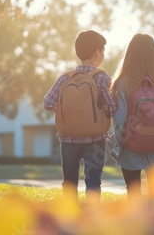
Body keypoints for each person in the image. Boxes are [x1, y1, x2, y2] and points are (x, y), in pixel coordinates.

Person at [43, 29, 117, 203]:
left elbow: (47, 103)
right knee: (93, 181)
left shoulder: (65, 78)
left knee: (69, 182)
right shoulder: (102, 78)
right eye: (103, 51)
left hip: (68, 138)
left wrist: (69, 112)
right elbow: (113, 108)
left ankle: (69, 219)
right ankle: (91, 220)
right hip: (95, 138)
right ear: (97, 52)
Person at [110, 33, 154, 201]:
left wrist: (115, 140)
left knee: (133, 191)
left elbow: (120, 119)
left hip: (130, 146)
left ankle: (136, 225)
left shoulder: (122, 83)